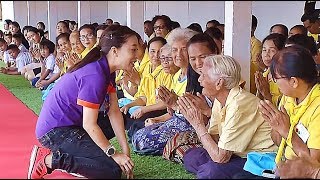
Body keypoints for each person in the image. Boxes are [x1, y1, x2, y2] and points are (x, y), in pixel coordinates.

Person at [27, 25, 138, 179]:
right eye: (133, 49)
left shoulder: (107, 70)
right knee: (112, 171)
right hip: (55, 132)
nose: (137, 55)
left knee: (122, 119)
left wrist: (125, 152)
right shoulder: (95, 75)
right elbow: (90, 124)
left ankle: (78, 155)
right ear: (114, 51)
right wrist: (113, 154)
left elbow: (114, 112)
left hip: (74, 126)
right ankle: (50, 159)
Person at [181, 55, 276, 179]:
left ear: (219, 83)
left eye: (204, 75)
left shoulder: (239, 104)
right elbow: (214, 137)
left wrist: (198, 125)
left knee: (211, 171)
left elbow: (221, 157)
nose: (199, 80)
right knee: (191, 156)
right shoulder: (220, 99)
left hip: (258, 159)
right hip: (235, 154)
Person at [259, 45, 320, 175]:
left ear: (293, 82)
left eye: (276, 79)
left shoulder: (318, 107)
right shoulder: (289, 97)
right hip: (285, 165)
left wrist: (287, 132)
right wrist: (276, 124)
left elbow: (313, 166)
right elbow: (277, 141)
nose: (274, 83)